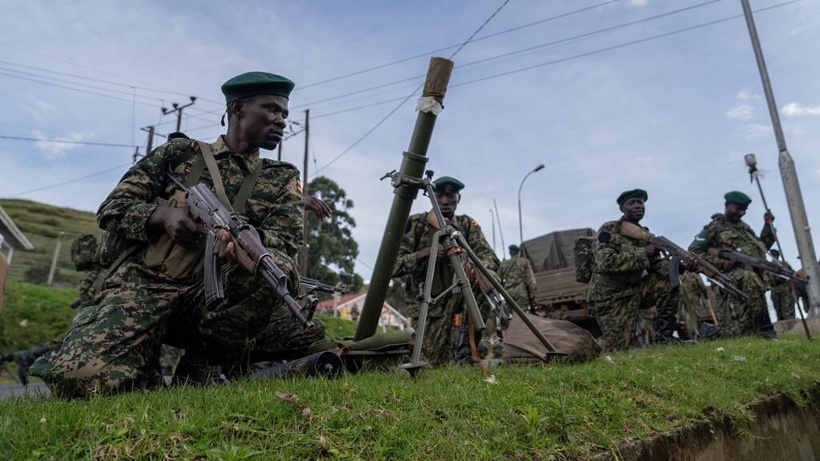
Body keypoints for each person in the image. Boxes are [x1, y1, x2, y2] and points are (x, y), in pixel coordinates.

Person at [30, 71, 325, 398]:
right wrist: (162, 215)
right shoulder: (180, 154)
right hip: (144, 287)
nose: (281, 120)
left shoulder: (281, 178)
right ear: (238, 108)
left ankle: (205, 365)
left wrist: (244, 243)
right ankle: (137, 355)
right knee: (79, 378)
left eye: (285, 113)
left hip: (211, 300)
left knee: (276, 267)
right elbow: (112, 208)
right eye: (271, 109)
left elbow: (286, 242)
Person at [393, 176, 500, 366]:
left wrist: (477, 269)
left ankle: (468, 350)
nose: (444, 201)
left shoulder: (467, 225)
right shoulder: (416, 224)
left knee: (489, 276)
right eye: (440, 195)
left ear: (458, 198)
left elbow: (490, 258)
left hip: (459, 298)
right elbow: (392, 266)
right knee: (432, 363)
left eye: (451, 196)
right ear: (432, 196)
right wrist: (422, 255)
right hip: (428, 303)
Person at [586, 189, 683, 351]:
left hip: (636, 289)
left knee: (668, 281)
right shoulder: (609, 229)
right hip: (611, 296)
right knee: (617, 349)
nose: (638, 206)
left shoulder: (645, 234)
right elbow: (605, 262)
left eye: (641, 202)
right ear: (622, 209)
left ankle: (665, 336)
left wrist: (680, 266)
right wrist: (643, 253)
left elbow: (655, 265)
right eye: (632, 203)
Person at [689, 191, 777, 339]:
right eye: (737, 208)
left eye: (743, 210)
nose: (741, 213)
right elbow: (694, 251)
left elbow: (760, 248)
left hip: (752, 275)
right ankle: (767, 330)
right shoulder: (713, 228)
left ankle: (712, 333)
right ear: (726, 205)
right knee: (750, 278)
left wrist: (768, 226)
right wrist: (722, 263)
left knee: (742, 331)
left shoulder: (744, 228)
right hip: (728, 276)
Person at [498, 244, 537, 313]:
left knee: (508, 317)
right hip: (521, 293)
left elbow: (498, 279)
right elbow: (530, 280)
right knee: (522, 316)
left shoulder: (503, 264)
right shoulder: (524, 262)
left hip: (508, 294)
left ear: (510, 253)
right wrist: (532, 295)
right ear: (518, 252)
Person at [765, 249, 795, 321]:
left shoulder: (784, 264)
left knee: (787, 309)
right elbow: (767, 278)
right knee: (778, 310)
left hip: (784, 287)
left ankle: (790, 324)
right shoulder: (768, 265)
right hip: (775, 288)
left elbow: (792, 274)